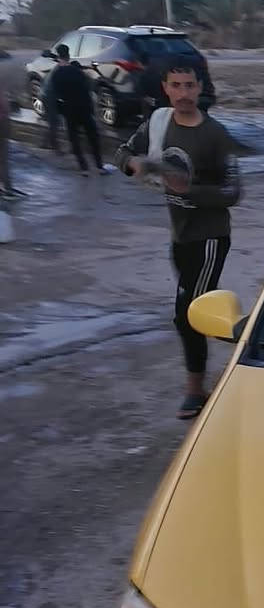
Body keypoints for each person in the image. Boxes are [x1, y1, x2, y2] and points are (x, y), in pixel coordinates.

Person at [116, 57, 240, 420]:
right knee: (198, 309)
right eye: (176, 86)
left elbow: (233, 191)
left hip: (210, 237)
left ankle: (195, 392)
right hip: (180, 235)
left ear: (200, 88)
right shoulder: (158, 124)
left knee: (187, 315)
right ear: (165, 89)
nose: (183, 93)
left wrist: (190, 190)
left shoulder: (216, 135)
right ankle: (249, 339)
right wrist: (134, 165)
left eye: (189, 85)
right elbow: (123, 151)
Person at [47, 43, 105, 173]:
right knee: (92, 136)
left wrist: (61, 110)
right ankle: (99, 166)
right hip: (83, 108)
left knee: (74, 138)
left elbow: (56, 94)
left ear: (59, 56)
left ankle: (83, 168)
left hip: (68, 108)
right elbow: (87, 90)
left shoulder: (56, 74)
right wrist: (91, 109)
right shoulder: (77, 72)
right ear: (68, 55)